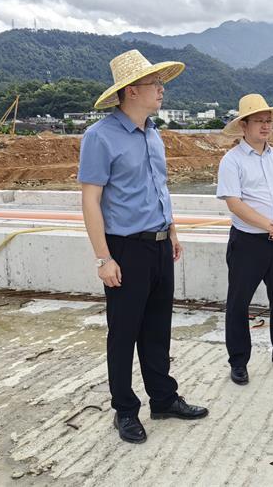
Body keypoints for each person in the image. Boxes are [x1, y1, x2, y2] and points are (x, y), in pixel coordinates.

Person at [78, 49, 208, 444]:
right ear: (131, 91)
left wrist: (172, 232)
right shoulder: (100, 136)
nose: (161, 89)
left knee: (157, 328)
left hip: (159, 245)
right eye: (155, 84)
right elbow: (90, 200)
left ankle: (163, 399)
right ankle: (124, 409)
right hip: (126, 249)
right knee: (123, 333)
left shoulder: (153, 133)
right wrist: (103, 258)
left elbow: (159, 188)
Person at [216, 94, 273, 385]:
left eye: (269, 121)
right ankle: (239, 361)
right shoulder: (232, 160)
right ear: (244, 125)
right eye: (259, 121)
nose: (266, 126)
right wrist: (270, 225)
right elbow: (234, 203)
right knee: (238, 303)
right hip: (248, 242)